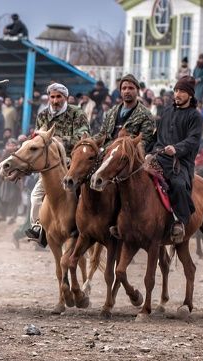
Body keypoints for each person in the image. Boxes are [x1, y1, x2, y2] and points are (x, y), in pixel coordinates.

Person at [25, 82, 89, 245]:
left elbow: (84, 136)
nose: (55, 100)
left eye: (58, 97)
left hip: (72, 163)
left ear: (66, 98)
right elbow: (39, 137)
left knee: (79, 193)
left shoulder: (77, 113)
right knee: (35, 196)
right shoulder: (43, 115)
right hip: (50, 165)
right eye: (52, 97)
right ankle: (38, 228)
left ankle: (81, 226)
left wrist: (59, 142)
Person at [152, 76, 203, 244]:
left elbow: (194, 140)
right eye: (176, 90)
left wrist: (176, 149)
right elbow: (156, 136)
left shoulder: (195, 116)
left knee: (179, 184)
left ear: (190, 94)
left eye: (182, 91)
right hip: (158, 158)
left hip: (180, 163)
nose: (177, 94)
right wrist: (148, 152)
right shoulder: (166, 111)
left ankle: (180, 222)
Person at [95, 74, 156, 150]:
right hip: (105, 153)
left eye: (131, 88)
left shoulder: (145, 114)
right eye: (124, 88)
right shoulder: (111, 112)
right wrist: (88, 142)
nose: (127, 91)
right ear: (120, 92)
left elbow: (145, 141)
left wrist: (124, 145)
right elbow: (102, 134)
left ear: (137, 91)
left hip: (128, 156)